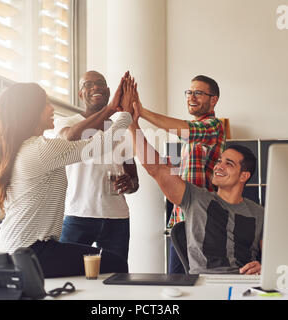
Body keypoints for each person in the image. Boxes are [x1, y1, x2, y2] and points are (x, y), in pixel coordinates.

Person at [0, 76, 136, 278]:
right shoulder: (40, 149)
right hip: (31, 252)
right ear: (31, 111)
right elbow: (100, 144)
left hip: (16, 249)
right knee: (115, 263)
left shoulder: (19, 149)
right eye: (46, 105)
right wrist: (125, 113)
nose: (51, 109)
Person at [129, 102, 263, 275]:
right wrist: (133, 125)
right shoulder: (196, 198)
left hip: (245, 285)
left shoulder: (259, 213)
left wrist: (264, 267)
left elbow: (275, 259)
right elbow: (155, 168)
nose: (218, 166)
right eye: (219, 161)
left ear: (244, 176)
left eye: (228, 164)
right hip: (204, 284)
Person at [134, 75, 226, 273]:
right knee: (177, 283)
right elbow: (166, 173)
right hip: (180, 221)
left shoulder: (214, 126)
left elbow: (187, 129)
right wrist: (133, 124)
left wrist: (141, 112)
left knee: (200, 282)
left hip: (202, 222)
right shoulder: (182, 143)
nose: (192, 97)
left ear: (213, 99)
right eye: (189, 92)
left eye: (199, 93)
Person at [53, 71, 139, 265]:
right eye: (88, 85)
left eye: (100, 83)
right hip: (78, 215)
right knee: (67, 271)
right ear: (80, 94)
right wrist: (110, 109)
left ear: (108, 91)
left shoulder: (121, 129)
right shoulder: (67, 122)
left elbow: (135, 181)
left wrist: (129, 183)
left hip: (116, 218)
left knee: (114, 274)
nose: (95, 87)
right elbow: (71, 137)